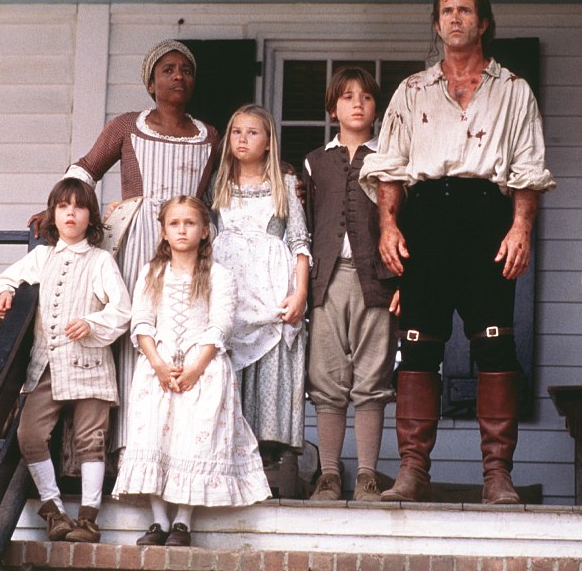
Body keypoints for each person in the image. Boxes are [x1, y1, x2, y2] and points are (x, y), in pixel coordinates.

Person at [359, 0, 555, 504]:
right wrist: (389, 226)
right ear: (437, 22)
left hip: (487, 215)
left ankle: (497, 475)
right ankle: (412, 471)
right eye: (446, 11)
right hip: (425, 217)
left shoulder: (513, 90)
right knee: (418, 345)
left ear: (483, 22)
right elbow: (389, 169)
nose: (454, 19)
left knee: (495, 343)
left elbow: (528, 168)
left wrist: (520, 227)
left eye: (465, 10)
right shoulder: (412, 90)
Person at [30, 40, 221, 456]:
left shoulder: (208, 135)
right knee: (133, 329)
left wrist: (286, 176)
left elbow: (228, 183)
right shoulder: (127, 126)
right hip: (136, 240)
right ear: (151, 83)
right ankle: (124, 447)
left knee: (178, 332)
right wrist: (55, 207)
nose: (178, 76)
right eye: (168, 70)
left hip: (184, 243)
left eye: (186, 70)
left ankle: (173, 447)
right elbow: (86, 170)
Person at [113, 196, 270, 546]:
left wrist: (196, 368)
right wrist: (158, 364)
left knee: (193, 439)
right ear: (164, 232)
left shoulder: (219, 275)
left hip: (204, 369)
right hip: (158, 368)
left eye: (189, 223)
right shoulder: (151, 273)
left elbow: (220, 325)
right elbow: (142, 321)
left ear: (204, 231)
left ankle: (183, 520)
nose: (182, 230)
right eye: (174, 223)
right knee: (154, 435)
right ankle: (158, 520)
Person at [0, 178, 131, 543]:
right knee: (29, 435)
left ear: (90, 217)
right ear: (53, 214)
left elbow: (121, 310)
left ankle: (88, 518)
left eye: (79, 207)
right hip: (47, 364)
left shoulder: (100, 261)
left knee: (91, 439)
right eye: (63, 206)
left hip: (90, 364)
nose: (70, 213)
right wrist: (4, 292)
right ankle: (53, 509)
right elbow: (1, 281)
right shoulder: (42, 257)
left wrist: (92, 323)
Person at [303, 68, 399, 502]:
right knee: (326, 378)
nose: (357, 103)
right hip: (326, 280)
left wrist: (404, 281)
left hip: (376, 280)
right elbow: (304, 227)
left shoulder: (391, 158)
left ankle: (366, 475)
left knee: (372, 377)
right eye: (346, 97)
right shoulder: (315, 162)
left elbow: (404, 223)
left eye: (365, 97)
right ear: (332, 108)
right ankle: (328, 474)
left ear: (377, 108)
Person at [211, 104, 310, 463]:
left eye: (252, 132)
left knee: (271, 361)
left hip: (271, 288)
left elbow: (299, 240)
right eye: (236, 132)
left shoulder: (285, 185)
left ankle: (268, 455)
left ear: (268, 142)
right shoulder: (218, 184)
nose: (242, 139)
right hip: (231, 289)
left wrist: (300, 293)